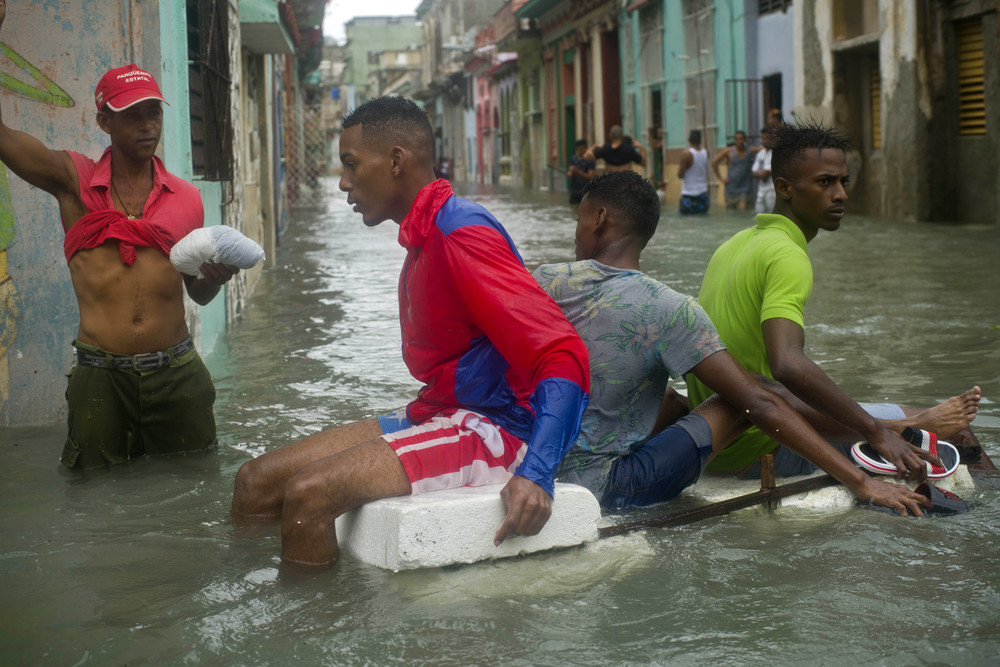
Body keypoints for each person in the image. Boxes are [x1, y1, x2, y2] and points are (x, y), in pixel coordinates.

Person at [230, 96, 591, 567]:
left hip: (497, 430)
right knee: (255, 481)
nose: (342, 183)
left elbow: (565, 354)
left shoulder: (460, 231)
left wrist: (538, 473)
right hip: (440, 412)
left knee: (308, 496)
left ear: (396, 160)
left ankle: (313, 630)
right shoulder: (424, 236)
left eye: (352, 165)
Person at [533, 170, 931, 514]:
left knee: (672, 399)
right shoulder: (669, 309)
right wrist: (861, 482)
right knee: (744, 393)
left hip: (536, 467)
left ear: (600, 218)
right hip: (612, 487)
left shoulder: (545, 280)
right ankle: (890, 428)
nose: (577, 232)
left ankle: (888, 426)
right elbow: (757, 403)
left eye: (579, 220)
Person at [0, 9, 236, 469]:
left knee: (193, 493)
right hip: (100, 378)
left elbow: (198, 294)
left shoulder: (185, 199)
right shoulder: (74, 182)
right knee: (93, 504)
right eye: (131, 115)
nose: (147, 125)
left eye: (153, 113)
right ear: (105, 122)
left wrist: (215, 278)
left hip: (177, 374)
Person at [687, 121, 981, 479]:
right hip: (762, 446)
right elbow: (787, 364)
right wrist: (878, 432)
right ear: (784, 188)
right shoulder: (787, 255)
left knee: (916, 423)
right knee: (958, 432)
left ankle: (902, 422)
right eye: (825, 182)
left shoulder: (733, 245)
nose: (840, 194)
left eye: (844, 181)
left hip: (717, 442)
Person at [711, 130, 753, 210]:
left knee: (742, 211)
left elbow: (761, 149)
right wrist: (721, 178)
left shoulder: (749, 151)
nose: (739, 141)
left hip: (743, 189)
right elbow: (714, 162)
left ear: (745, 140)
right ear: (735, 140)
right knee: (731, 214)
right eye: (737, 139)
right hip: (730, 189)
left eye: (741, 139)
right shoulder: (729, 151)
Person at [677, 130, 709, 215]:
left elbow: (680, 175)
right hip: (703, 194)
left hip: (689, 195)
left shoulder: (686, 154)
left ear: (689, 140)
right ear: (700, 140)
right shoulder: (706, 153)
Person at [752, 127, 775, 214]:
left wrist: (760, 173)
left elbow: (766, 173)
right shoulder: (760, 154)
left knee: (771, 214)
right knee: (759, 213)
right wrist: (761, 173)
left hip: (772, 189)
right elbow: (753, 172)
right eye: (763, 138)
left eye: (767, 138)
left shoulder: (775, 153)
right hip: (761, 189)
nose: (765, 141)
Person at [566, 139, 595, 209]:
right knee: (573, 210)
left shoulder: (590, 160)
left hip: (585, 191)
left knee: (584, 210)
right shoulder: (574, 159)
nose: (579, 151)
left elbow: (590, 177)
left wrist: (578, 171)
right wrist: (570, 173)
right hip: (574, 190)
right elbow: (570, 171)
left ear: (585, 148)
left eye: (581, 149)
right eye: (577, 149)